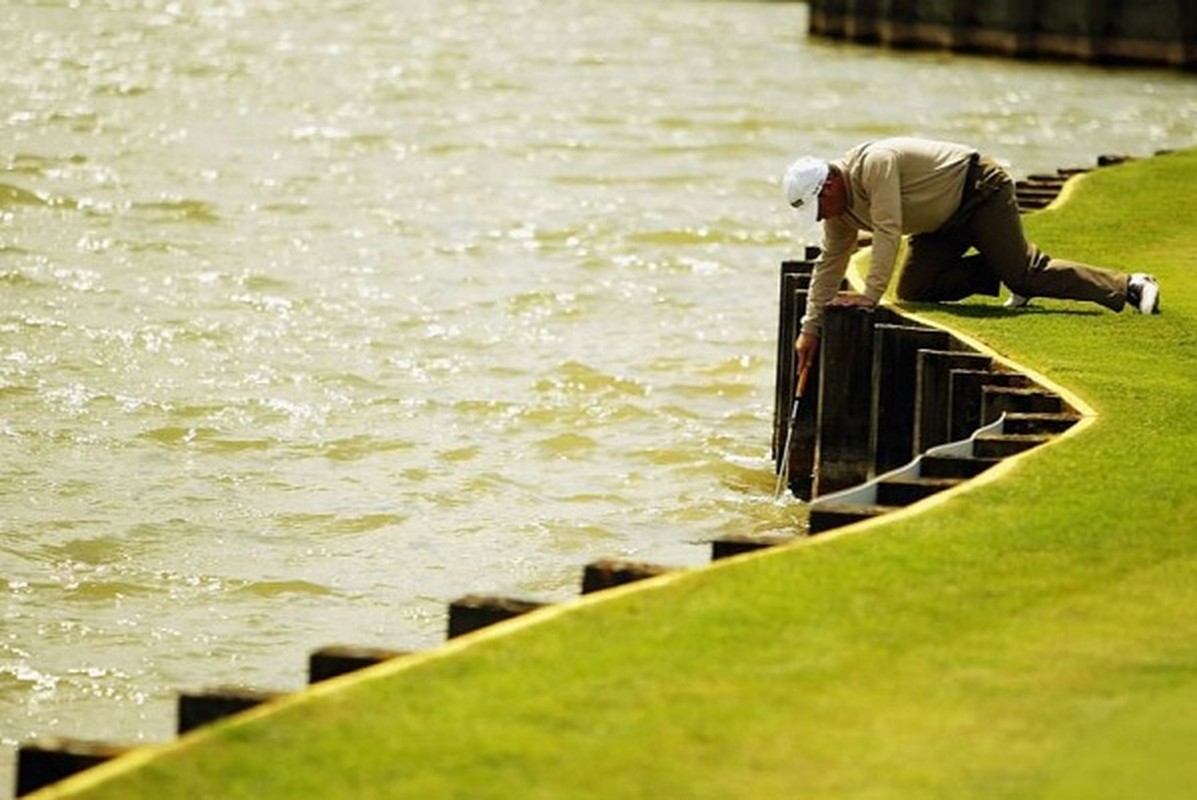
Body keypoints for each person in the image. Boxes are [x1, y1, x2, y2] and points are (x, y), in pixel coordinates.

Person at [782, 137, 1161, 376]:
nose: (820, 215)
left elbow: (887, 229)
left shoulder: (873, 164)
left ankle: (1128, 285)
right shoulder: (838, 211)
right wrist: (809, 329)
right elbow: (830, 263)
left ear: (829, 183)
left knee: (1025, 273)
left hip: (980, 191)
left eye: (819, 205)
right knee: (916, 290)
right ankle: (1006, 266)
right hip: (939, 225)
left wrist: (869, 296)